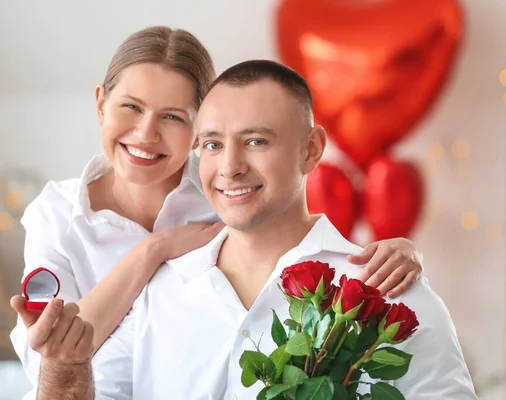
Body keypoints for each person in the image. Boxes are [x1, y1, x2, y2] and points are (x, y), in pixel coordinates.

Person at [9, 27, 424, 395]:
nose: (146, 133)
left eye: (173, 117)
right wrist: (153, 250)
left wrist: (405, 249)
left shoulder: (228, 188)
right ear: (101, 103)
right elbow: (48, 356)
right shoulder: (57, 214)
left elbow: (300, 240)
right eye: (131, 107)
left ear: (198, 130)